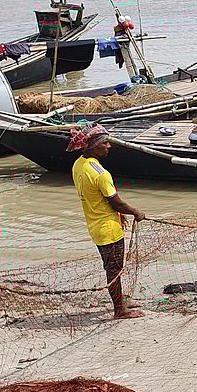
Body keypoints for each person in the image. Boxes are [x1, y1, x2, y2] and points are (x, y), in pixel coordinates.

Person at [69, 124, 147, 320]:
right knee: (114, 269)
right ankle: (119, 309)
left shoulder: (79, 164)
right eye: (105, 143)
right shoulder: (101, 174)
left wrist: (120, 214)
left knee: (112, 267)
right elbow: (116, 202)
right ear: (94, 146)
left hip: (94, 226)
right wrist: (135, 212)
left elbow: (98, 198)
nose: (108, 146)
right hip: (108, 229)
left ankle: (120, 299)